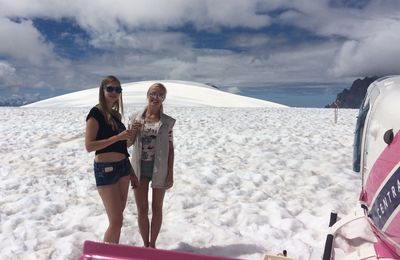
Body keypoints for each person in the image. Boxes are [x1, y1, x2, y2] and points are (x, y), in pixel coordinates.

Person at [85, 75, 139, 243]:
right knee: (115, 222)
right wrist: (117, 137)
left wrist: (132, 134)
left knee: (119, 221)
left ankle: (112, 251)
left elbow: (123, 146)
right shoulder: (95, 113)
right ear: (102, 90)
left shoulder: (116, 116)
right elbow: (89, 146)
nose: (114, 92)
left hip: (123, 167)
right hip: (105, 169)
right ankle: (106, 253)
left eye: (118, 89)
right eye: (110, 88)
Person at [129, 82, 175, 248]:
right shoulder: (135, 117)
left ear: (164, 99)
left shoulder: (167, 122)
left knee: (157, 208)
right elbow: (127, 143)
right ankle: (145, 244)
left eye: (160, 95)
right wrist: (133, 130)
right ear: (147, 95)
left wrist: (170, 173)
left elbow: (170, 149)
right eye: (153, 94)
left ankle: (153, 245)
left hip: (160, 169)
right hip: (138, 169)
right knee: (142, 209)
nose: (156, 98)